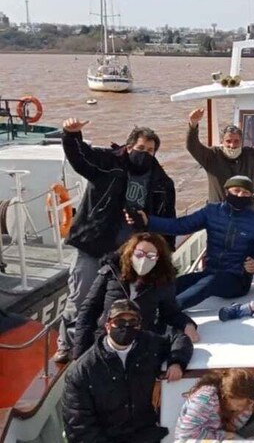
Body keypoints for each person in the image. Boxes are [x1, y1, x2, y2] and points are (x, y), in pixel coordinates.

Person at [55, 119, 176, 364]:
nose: (145, 155)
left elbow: (167, 219)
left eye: (151, 151)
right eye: (141, 149)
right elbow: (80, 158)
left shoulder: (162, 183)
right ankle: (66, 345)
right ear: (129, 146)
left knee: (121, 301)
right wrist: (71, 134)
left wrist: (166, 256)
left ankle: (111, 345)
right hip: (94, 243)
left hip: (128, 255)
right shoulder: (108, 163)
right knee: (80, 297)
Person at [129, 175, 254, 310]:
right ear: (226, 191)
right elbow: (180, 226)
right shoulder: (211, 212)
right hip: (209, 272)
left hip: (237, 280)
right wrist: (149, 221)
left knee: (210, 282)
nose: (240, 195)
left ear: (251, 195)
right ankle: (137, 307)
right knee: (176, 283)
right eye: (236, 190)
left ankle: (170, 310)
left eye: (246, 192)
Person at [62, 299, 193, 443]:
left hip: (146, 434)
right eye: (119, 322)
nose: (126, 326)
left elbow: (178, 338)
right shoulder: (83, 371)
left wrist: (177, 362)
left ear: (139, 326)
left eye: (132, 322)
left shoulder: (149, 344)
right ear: (107, 326)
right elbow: (79, 428)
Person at [72, 232, 199, 360]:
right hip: (105, 341)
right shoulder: (111, 273)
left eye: (151, 256)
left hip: (138, 345)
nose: (144, 260)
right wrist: (80, 353)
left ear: (159, 259)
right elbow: (88, 310)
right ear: (130, 253)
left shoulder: (163, 283)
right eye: (139, 254)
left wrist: (187, 324)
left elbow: (170, 313)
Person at [186, 107, 254, 205]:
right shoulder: (211, 156)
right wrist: (193, 124)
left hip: (246, 210)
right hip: (219, 211)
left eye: (236, 141)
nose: (232, 145)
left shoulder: (251, 155)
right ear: (222, 141)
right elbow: (192, 146)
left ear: (242, 141)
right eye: (228, 141)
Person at [175, 368, 254, 441]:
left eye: (249, 402)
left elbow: (232, 432)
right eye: (240, 404)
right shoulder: (205, 399)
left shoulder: (248, 404)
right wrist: (220, 436)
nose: (243, 407)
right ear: (228, 396)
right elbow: (186, 433)